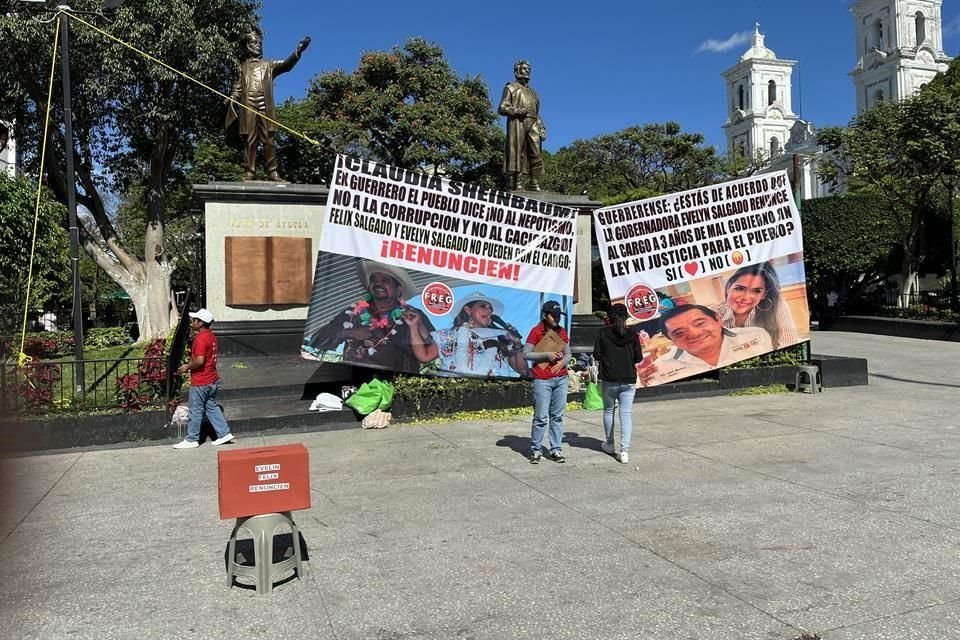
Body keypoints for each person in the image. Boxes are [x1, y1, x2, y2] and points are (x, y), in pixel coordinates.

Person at [305, 260, 438, 373]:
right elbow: (317, 340)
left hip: (396, 384)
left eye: (385, 280)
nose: (378, 283)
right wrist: (347, 332)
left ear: (398, 290)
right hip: (355, 380)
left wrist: (420, 328)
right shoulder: (352, 312)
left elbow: (435, 350)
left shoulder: (413, 314)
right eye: (374, 279)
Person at [226, 31, 310, 181]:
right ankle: (249, 172)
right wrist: (233, 97)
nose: (257, 46)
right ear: (247, 46)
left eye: (259, 43)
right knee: (250, 140)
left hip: (265, 106)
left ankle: (273, 172)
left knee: (269, 140)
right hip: (248, 106)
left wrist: (298, 51)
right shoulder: (242, 67)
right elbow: (237, 87)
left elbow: (286, 65)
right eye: (254, 43)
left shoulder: (268, 65)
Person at [637, 304, 773, 387]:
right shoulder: (660, 369)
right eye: (679, 333)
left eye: (700, 323)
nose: (694, 334)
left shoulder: (755, 336)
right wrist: (641, 385)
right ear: (671, 339)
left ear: (718, 320)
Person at [173, 308, 234, 449]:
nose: (192, 322)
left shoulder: (200, 339)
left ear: (200, 323)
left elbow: (200, 361)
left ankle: (192, 439)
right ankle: (224, 433)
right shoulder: (211, 336)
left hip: (201, 380)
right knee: (211, 406)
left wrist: (187, 367)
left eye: (195, 320)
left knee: (195, 409)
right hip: (212, 379)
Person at [431, 292, 527, 377]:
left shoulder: (500, 339)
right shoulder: (450, 336)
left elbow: (522, 370)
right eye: (483, 306)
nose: (489, 311)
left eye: (490, 308)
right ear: (468, 310)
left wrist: (517, 344)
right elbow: (425, 355)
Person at [592, 303, 643, 464]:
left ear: (610, 317)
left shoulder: (603, 333)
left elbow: (597, 355)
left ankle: (610, 444)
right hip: (628, 379)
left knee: (608, 411)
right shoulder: (633, 335)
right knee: (625, 414)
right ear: (626, 317)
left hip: (609, 378)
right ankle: (624, 451)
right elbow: (638, 358)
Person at [523, 300, 571, 463]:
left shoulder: (562, 332)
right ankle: (536, 450)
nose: (556, 318)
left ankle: (556, 449)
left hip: (561, 378)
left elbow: (568, 353)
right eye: (553, 315)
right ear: (545, 315)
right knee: (541, 417)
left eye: (558, 315)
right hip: (542, 380)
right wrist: (547, 355)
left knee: (557, 416)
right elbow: (526, 354)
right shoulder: (536, 331)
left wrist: (562, 362)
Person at [712, 261, 800, 349]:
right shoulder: (712, 312)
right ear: (728, 287)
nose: (745, 297)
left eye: (756, 291)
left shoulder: (777, 306)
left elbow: (790, 344)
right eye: (739, 288)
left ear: (764, 294)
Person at [498, 60, 546, 191]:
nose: (527, 71)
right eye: (524, 68)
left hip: (533, 122)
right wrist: (515, 111)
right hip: (518, 121)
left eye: (528, 69)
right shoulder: (511, 88)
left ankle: (534, 182)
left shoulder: (533, 93)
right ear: (517, 71)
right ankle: (518, 182)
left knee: (536, 154)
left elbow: (537, 113)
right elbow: (502, 107)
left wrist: (542, 127)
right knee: (518, 152)